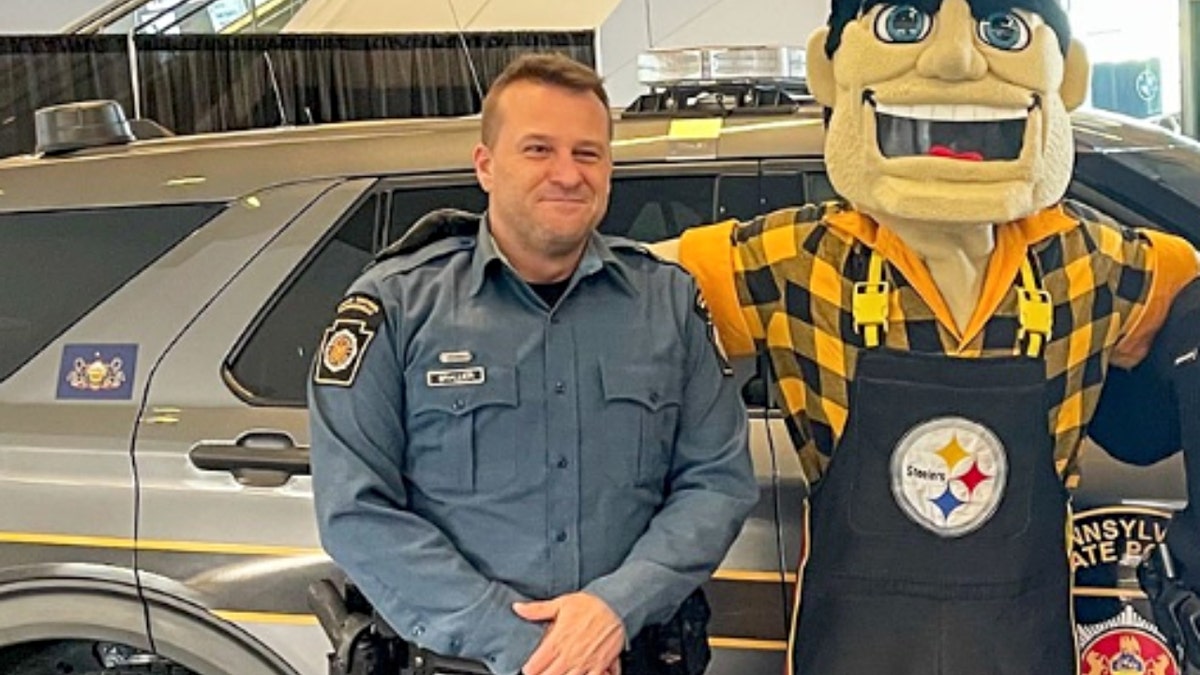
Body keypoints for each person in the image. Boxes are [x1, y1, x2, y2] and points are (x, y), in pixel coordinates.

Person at [652, 0, 1200, 672]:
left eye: (1002, 30)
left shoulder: (1092, 262)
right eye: (903, 20)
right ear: (834, 71)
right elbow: (614, 303)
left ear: (1066, 77)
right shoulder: (796, 258)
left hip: (1020, 644)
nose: (954, 59)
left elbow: (1187, 314)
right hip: (856, 647)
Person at [308, 53, 758, 675]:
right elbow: (357, 510)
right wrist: (529, 648)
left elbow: (716, 481)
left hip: (633, 655)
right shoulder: (394, 306)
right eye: (539, 150)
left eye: (588, 153)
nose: (567, 174)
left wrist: (614, 608)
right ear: (486, 166)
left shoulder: (668, 302)